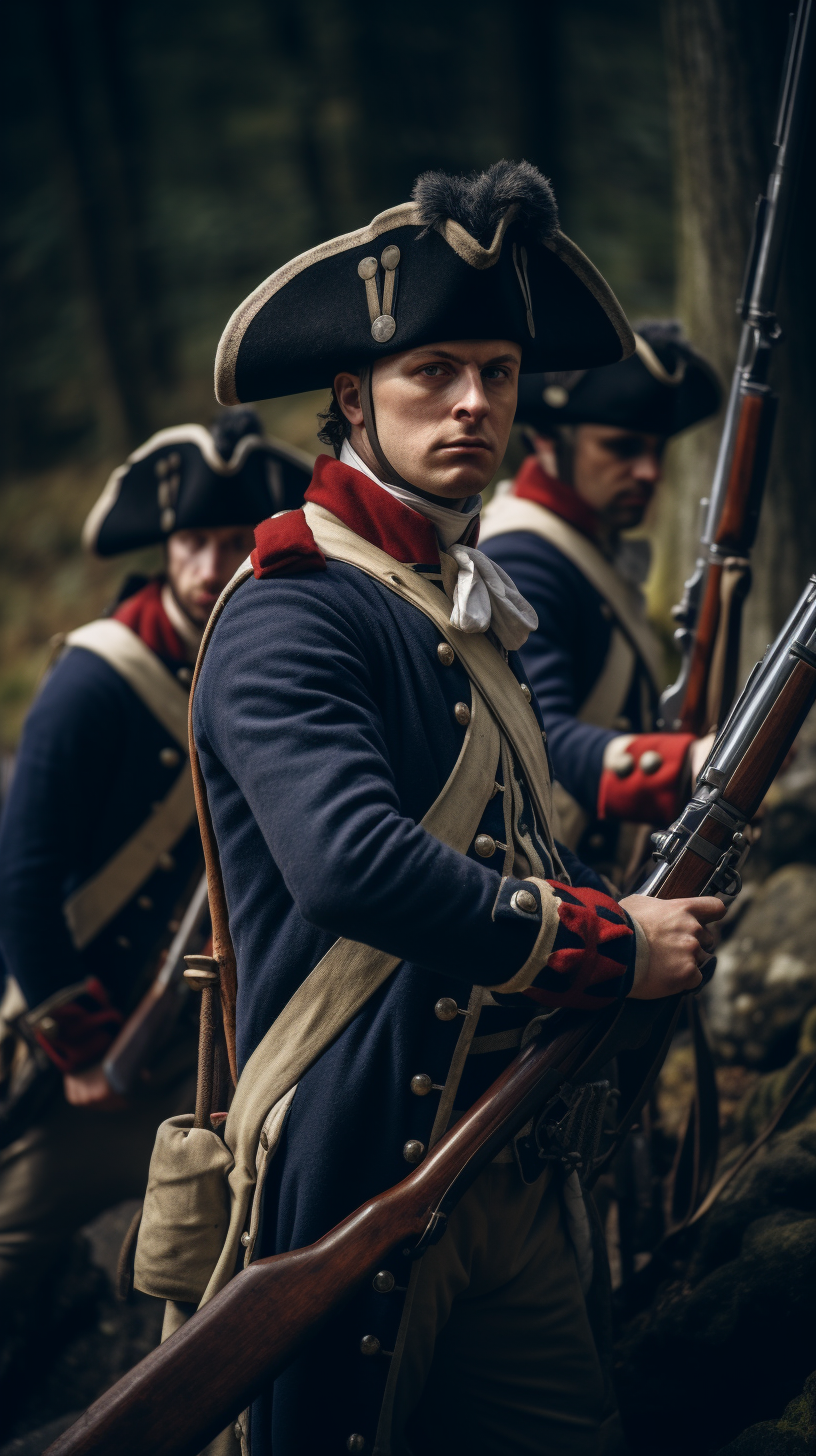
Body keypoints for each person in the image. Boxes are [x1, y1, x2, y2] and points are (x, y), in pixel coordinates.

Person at [161, 162, 726, 1456]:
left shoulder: (451, 592)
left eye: (499, 371)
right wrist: (611, 945)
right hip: (363, 1143)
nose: (476, 400)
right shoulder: (295, 606)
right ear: (352, 396)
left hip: (501, 1152)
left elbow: (512, 840)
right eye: (433, 371)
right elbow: (351, 866)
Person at [0, 407, 312, 1310]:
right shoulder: (98, 677)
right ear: (165, 548)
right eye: (192, 543)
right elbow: (22, 882)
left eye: (231, 542)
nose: (212, 568)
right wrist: (80, 1050)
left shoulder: (264, 655)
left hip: (203, 1030)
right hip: (92, 1041)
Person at [479, 324, 722, 884]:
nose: (650, 472)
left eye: (656, 450)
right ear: (546, 439)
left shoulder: (583, 547)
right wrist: (685, 763)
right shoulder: (524, 554)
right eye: (621, 447)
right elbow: (543, 738)